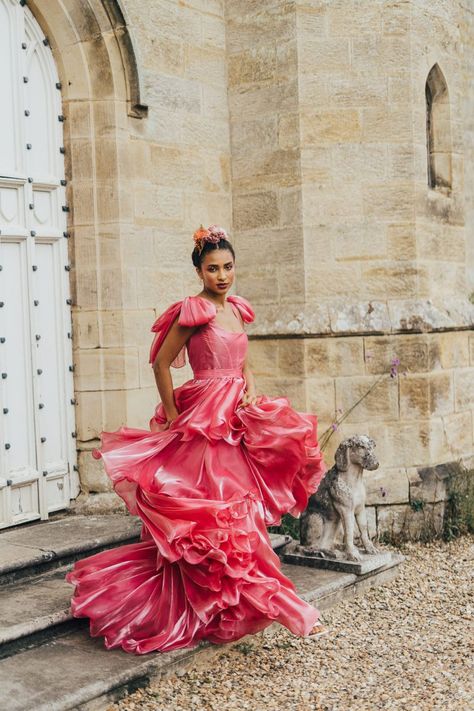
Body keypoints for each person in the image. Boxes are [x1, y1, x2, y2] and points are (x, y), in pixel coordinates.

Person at [65, 224, 330, 654]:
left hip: (235, 418)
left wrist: (250, 388)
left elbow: (242, 361)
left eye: (227, 267)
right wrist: (173, 416)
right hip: (203, 419)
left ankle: (227, 604)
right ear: (199, 271)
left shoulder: (238, 309)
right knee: (219, 519)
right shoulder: (194, 311)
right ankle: (288, 609)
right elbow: (162, 364)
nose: (222, 276)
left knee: (240, 519)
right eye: (212, 269)